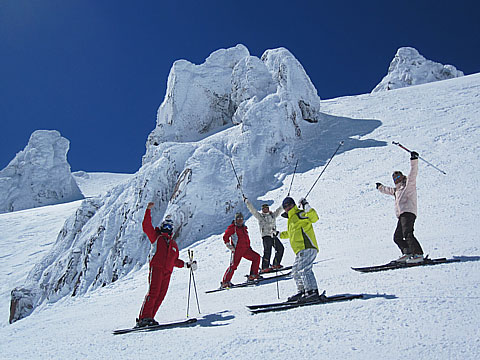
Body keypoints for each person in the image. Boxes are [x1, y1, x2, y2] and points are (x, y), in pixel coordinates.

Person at [136, 202, 197, 328]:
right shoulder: (157, 238)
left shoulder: (173, 245)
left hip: (167, 272)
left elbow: (175, 261)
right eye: (166, 227)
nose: (168, 229)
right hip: (157, 268)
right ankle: (143, 318)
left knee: (160, 296)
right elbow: (146, 227)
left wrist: (187, 265)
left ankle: (150, 317)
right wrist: (148, 211)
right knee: (153, 293)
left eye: (170, 227)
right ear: (162, 227)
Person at [376, 150, 424, 264]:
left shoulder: (408, 185)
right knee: (397, 237)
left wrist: (414, 160)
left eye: (398, 177)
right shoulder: (397, 190)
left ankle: (418, 254)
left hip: (408, 212)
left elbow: (413, 173)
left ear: (402, 177)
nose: (397, 180)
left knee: (408, 233)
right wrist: (380, 187)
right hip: (401, 215)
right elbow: (388, 190)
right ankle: (407, 253)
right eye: (395, 178)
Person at [279, 196, 323, 303]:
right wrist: (278, 234)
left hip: (307, 247)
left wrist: (306, 205)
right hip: (300, 251)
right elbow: (290, 234)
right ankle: (302, 291)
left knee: (304, 269)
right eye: (285, 206)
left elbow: (314, 218)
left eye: (289, 204)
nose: (287, 207)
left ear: (293, 204)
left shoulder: (300, 214)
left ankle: (312, 291)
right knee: (295, 271)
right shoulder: (291, 219)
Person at [244, 196, 284, 273]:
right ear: (262, 210)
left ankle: (276, 264)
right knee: (267, 251)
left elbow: (279, 210)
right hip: (266, 236)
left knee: (280, 248)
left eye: (267, 208)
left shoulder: (273, 215)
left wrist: (284, 203)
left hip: (273, 235)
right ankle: (265, 267)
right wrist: (247, 202)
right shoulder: (260, 216)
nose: (265, 209)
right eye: (264, 208)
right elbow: (253, 210)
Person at [221, 211, 261, 288]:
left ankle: (253, 275)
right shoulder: (233, 228)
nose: (240, 220)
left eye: (241, 218)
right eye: (238, 218)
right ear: (235, 219)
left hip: (246, 249)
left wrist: (249, 246)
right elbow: (225, 236)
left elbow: (246, 239)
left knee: (256, 257)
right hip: (237, 250)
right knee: (234, 266)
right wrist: (229, 245)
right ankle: (225, 282)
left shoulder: (244, 228)